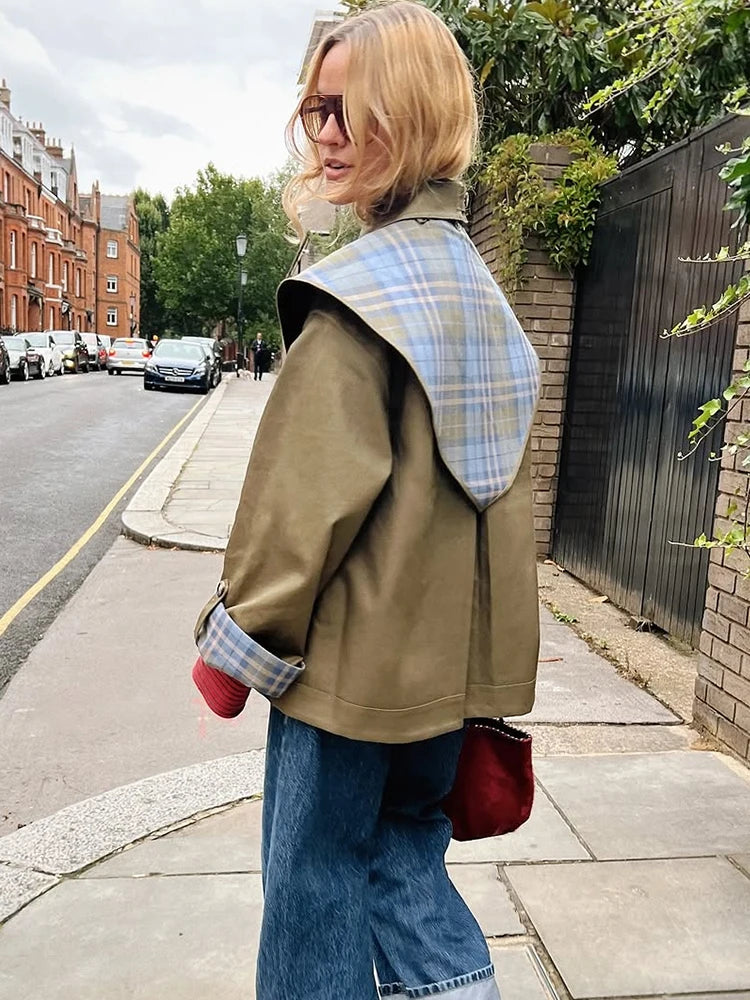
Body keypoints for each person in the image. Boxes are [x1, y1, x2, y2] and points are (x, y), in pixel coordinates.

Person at [191, 3, 540, 997]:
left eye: (352, 108)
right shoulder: (487, 299)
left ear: (414, 113)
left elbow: (298, 509)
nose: (327, 134)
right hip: (441, 688)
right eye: (315, 110)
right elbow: (503, 506)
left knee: (313, 885)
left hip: (344, 678)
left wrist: (238, 640)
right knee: (403, 870)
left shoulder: (355, 302)